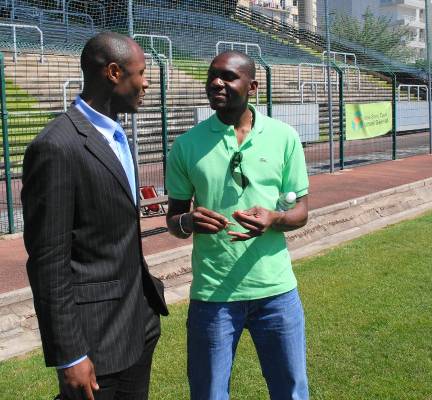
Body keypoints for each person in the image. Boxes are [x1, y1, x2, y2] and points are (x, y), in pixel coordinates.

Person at [21, 32, 168, 400]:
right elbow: (48, 261)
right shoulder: (56, 146)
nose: (147, 82)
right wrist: (69, 354)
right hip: (97, 340)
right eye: (142, 72)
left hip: (138, 324)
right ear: (114, 73)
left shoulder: (116, 136)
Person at [165, 50, 310, 400]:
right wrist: (188, 221)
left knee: (291, 392)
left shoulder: (284, 137)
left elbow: (302, 211)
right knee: (208, 394)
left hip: (276, 293)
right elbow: (174, 218)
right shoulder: (187, 145)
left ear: (252, 86)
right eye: (212, 75)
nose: (216, 82)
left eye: (228, 76)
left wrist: (276, 218)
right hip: (213, 296)